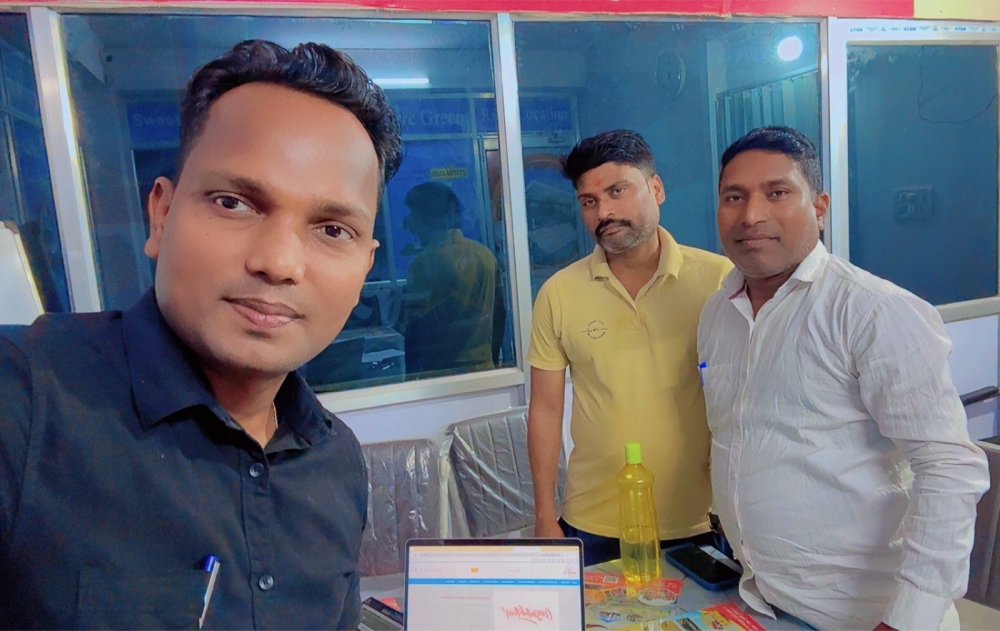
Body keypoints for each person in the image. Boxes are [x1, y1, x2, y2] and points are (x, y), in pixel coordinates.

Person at [0, 40, 402, 629]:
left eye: (333, 229)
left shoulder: (337, 461)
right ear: (161, 214)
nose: (279, 263)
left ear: (366, 264)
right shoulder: (24, 402)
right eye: (234, 202)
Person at [698, 126, 989, 630]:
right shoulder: (717, 313)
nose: (751, 215)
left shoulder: (872, 311)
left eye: (777, 192)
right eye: (734, 197)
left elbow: (948, 468)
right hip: (763, 600)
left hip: (868, 616)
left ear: (820, 207)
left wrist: (908, 620)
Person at [527, 129, 732, 565]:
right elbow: (545, 408)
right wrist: (544, 514)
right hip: (593, 521)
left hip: (703, 519)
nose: (604, 212)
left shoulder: (718, 280)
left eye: (617, 191)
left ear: (656, 189)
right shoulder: (559, 293)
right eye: (588, 201)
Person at [400, 181, 498, 377]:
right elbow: (499, 316)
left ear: (424, 216)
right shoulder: (485, 255)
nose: (407, 224)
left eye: (412, 214)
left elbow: (415, 332)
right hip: (485, 369)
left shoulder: (423, 264)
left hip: (440, 375)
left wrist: (410, 378)